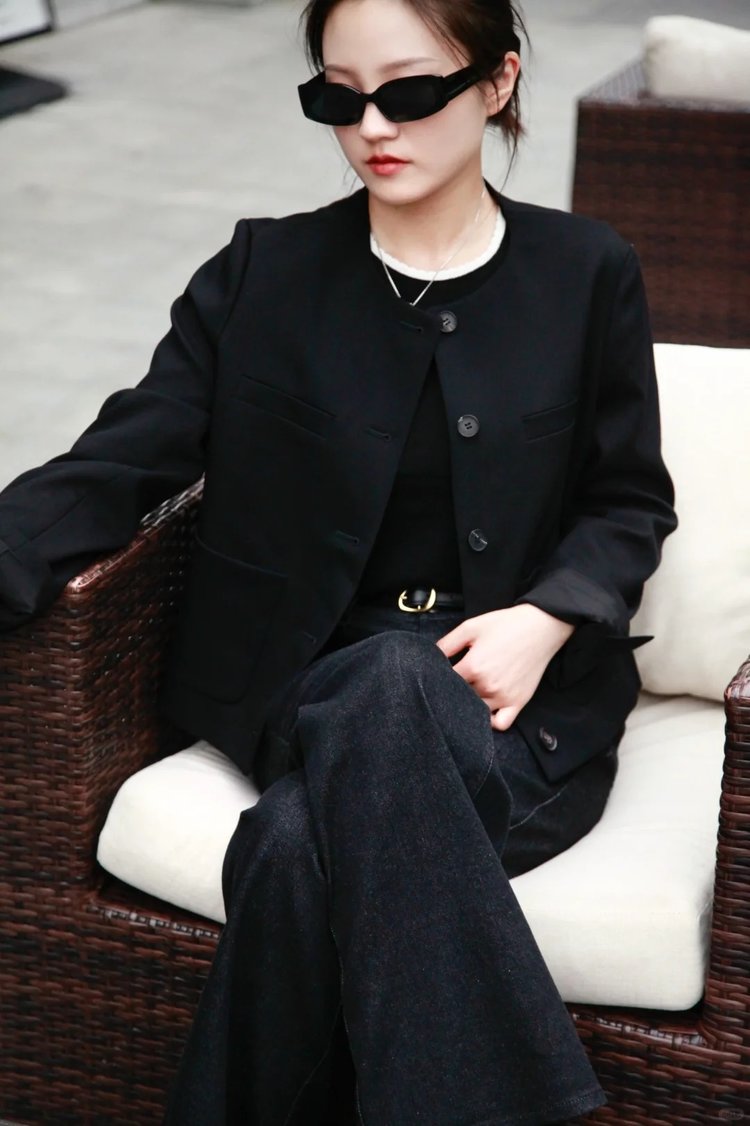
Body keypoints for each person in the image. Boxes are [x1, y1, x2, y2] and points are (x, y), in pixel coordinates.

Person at [0, 0, 678, 1122]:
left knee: (288, 848)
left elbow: (629, 501)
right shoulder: (263, 270)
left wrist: (546, 618)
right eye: (337, 97)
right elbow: (119, 463)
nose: (372, 127)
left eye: (408, 92)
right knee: (388, 677)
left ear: (498, 82)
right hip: (306, 687)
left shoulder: (586, 271)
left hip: (518, 715)